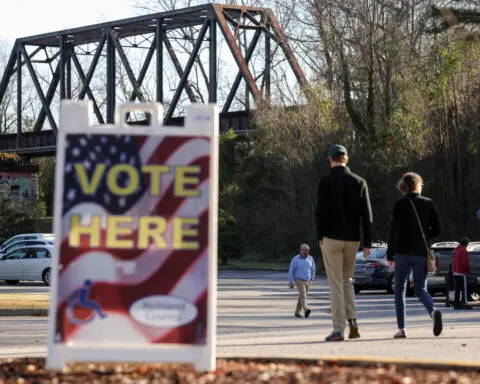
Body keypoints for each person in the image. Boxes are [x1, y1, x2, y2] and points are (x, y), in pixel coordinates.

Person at [316, 145, 372, 342]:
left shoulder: (325, 182)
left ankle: (338, 329)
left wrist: (320, 236)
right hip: (353, 239)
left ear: (331, 159)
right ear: (346, 159)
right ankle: (353, 322)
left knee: (336, 284)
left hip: (331, 238)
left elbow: (320, 212)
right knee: (347, 281)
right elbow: (367, 215)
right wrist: (367, 243)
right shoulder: (359, 181)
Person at [387, 172, 442, 339]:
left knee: (399, 290)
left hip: (402, 253)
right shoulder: (428, 203)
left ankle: (402, 329)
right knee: (420, 288)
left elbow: (394, 231)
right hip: (420, 253)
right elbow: (438, 229)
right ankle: (433, 311)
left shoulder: (399, 204)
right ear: (419, 185)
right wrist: (425, 234)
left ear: (405, 186)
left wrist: (390, 255)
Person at [288, 244, 316, 318]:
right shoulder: (295, 259)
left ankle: (297, 312)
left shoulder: (310, 258)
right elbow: (291, 271)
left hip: (308, 281)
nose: (305, 251)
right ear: (300, 250)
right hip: (299, 280)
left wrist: (311, 279)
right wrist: (291, 282)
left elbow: (313, 269)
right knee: (303, 295)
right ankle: (306, 310)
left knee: (301, 296)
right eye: (303, 250)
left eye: (307, 250)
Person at [453, 237, 472, 310]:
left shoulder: (457, 249)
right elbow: (465, 262)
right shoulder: (463, 250)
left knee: (457, 290)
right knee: (464, 289)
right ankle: (465, 304)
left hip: (456, 272)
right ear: (466, 244)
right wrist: (468, 270)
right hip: (461, 272)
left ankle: (456, 304)